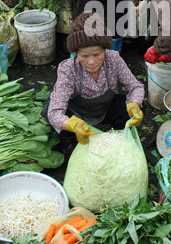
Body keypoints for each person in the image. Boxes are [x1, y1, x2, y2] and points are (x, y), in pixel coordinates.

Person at [42, 11, 144, 145]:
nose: (91, 62)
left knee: (135, 107)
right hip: (77, 113)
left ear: (105, 49)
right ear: (75, 53)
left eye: (97, 54)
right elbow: (55, 112)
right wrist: (72, 125)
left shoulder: (113, 59)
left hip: (105, 109)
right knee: (60, 118)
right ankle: (69, 142)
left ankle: (119, 138)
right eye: (84, 56)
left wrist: (134, 104)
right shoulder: (68, 69)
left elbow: (136, 86)